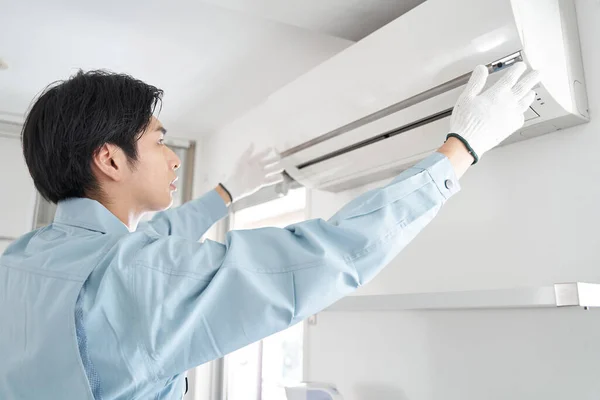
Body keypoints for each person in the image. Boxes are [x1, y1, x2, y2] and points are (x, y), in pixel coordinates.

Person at [0, 63, 540, 399]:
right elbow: (324, 256)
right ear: (110, 160)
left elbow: (155, 240)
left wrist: (227, 194)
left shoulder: (25, 260)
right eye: (160, 140)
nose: (170, 158)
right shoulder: (134, 279)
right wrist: (461, 150)